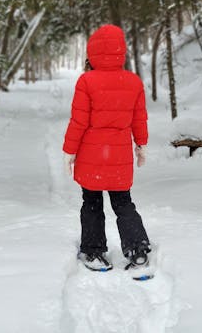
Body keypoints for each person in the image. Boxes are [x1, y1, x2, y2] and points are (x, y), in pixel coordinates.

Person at [63, 24, 151, 272]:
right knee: (123, 203)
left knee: (91, 202)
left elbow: (78, 121)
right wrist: (141, 144)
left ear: (92, 53)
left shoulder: (86, 81)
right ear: (121, 51)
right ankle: (137, 248)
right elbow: (139, 119)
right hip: (119, 155)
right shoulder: (133, 82)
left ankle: (93, 251)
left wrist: (69, 151)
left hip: (91, 155)